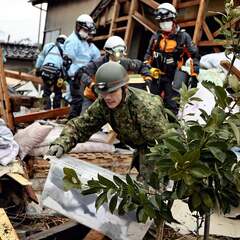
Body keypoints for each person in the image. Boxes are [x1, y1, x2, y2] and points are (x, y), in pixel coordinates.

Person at [48, 61, 168, 181]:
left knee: (150, 190)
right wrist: (61, 143)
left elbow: (161, 146)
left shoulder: (145, 108)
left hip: (156, 150)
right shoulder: (103, 104)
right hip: (140, 146)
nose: (108, 97)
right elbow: (81, 126)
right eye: (104, 93)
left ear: (124, 88)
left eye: (112, 92)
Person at [143, 2, 200, 114]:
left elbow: (194, 56)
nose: (163, 24)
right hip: (157, 75)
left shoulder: (183, 37)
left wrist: (194, 76)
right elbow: (148, 54)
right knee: (151, 103)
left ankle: (172, 127)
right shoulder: (156, 37)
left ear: (173, 19)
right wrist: (146, 69)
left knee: (172, 106)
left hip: (173, 78)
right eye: (160, 21)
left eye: (165, 20)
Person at [74, 35, 152, 113]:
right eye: (118, 51)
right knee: (86, 119)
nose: (120, 55)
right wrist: (92, 85)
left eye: (122, 51)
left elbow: (141, 65)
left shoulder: (125, 62)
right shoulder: (98, 63)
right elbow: (82, 73)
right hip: (93, 98)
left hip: (111, 99)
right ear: (109, 51)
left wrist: (147, 76)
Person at [64, 14, 100, 119]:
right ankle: (71, 124)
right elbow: (68, 63)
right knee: (77, 102)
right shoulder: (72, 41)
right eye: (85, 30)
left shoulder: (83, 42)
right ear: (78, 27)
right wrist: (74, 77)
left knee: (81, 102)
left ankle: (76, 123)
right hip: (76, 76)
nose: (87, 34)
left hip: (83, 76)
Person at [35, 34, 67, 109]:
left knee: (46, 92)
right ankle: (56, 112)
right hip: (57, 73)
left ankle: (46, 112)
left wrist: (37, 68)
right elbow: (66, 64)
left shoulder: (48, 46)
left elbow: (40, 58)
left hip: (45, 71)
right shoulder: (66, 49)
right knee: (58, 92)